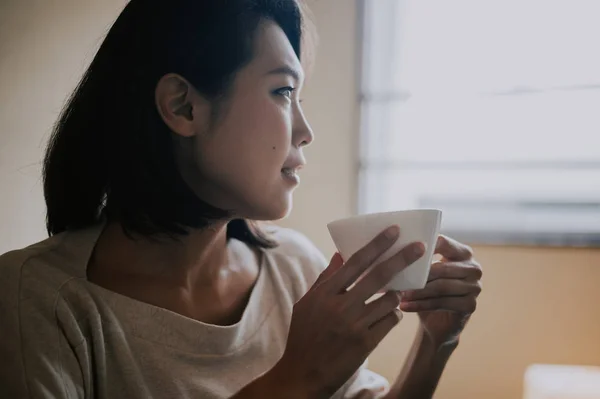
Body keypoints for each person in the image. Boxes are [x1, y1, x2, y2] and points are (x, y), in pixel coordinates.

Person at [0, 0, 483, 398]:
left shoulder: (295, 268)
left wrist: (437, 341)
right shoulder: (37, 302)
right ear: (183, 106)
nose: (305, 131)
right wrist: (297, 380)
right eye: (282, 91)